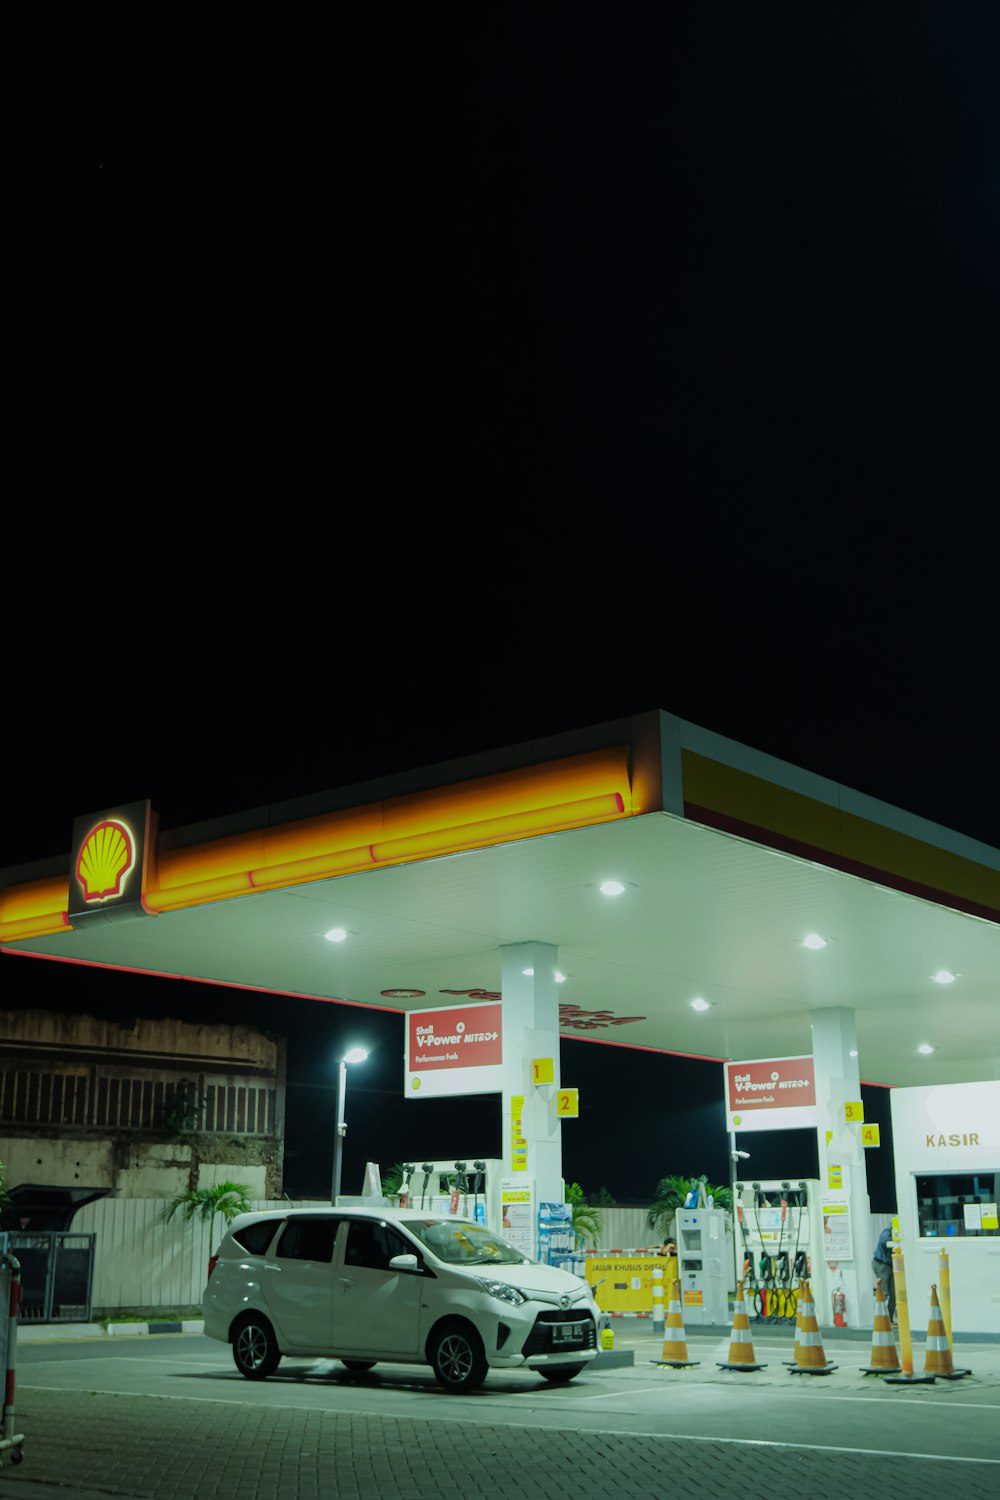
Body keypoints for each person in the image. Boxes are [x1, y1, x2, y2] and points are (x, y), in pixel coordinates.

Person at [872, 1226, 896, 1322]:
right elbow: (883, 1241)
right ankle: (881, 1321)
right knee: (884, 1294)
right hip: (881, 1264)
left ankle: (888, 1319)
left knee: (894, 1294)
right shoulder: (888, 1230)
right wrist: (895, 1238)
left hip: (892, 1265)